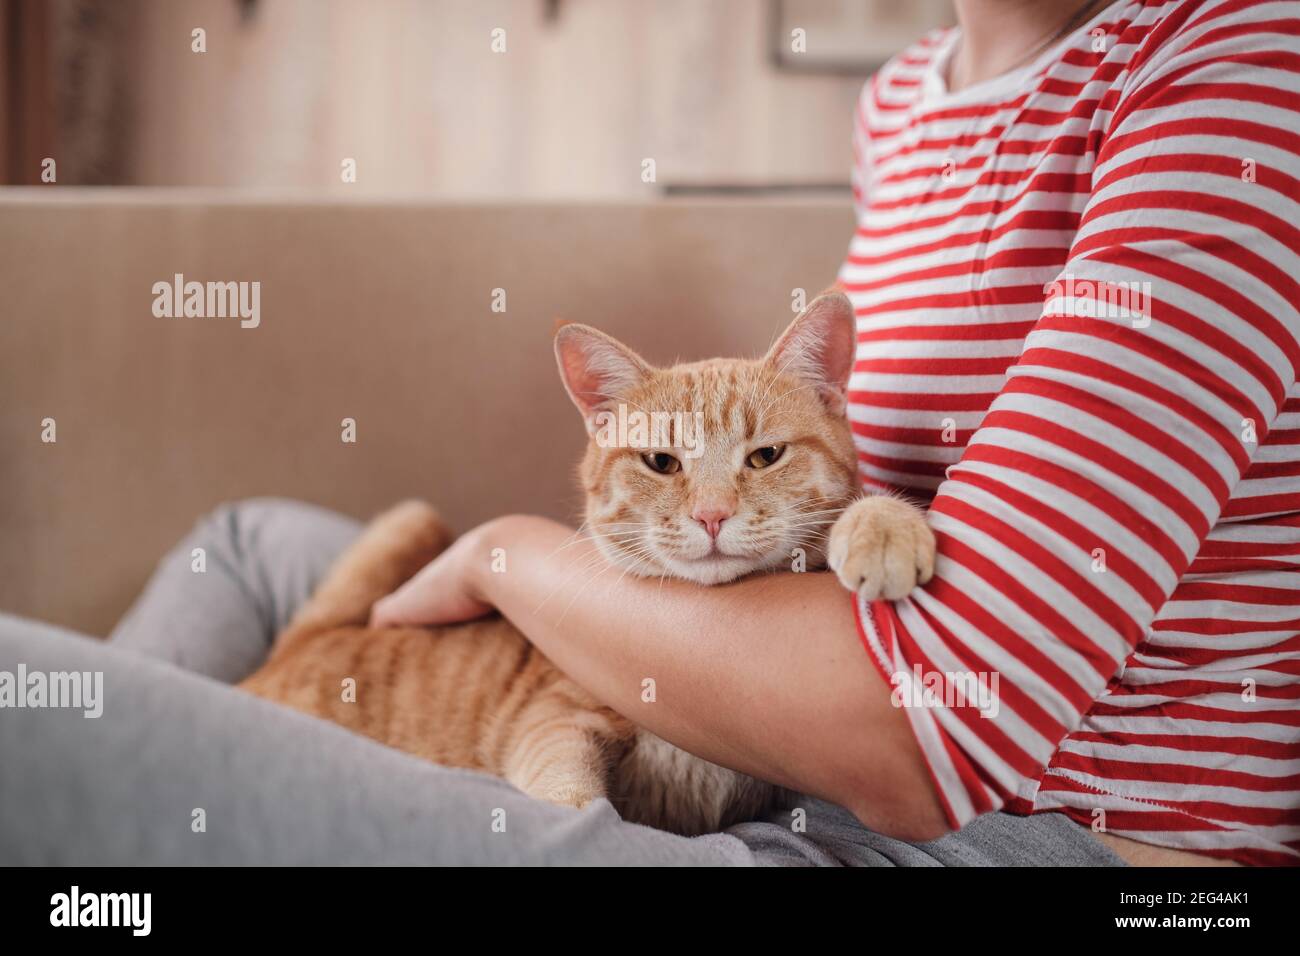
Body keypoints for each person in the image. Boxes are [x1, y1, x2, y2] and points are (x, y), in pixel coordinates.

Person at [2, 0, 1296, 866]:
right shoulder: (909, 99)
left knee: (33, 719)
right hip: (801, 685)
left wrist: (516, 558)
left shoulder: (1235, 68)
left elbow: (928, 728)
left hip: (996, 833)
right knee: (250, 544)